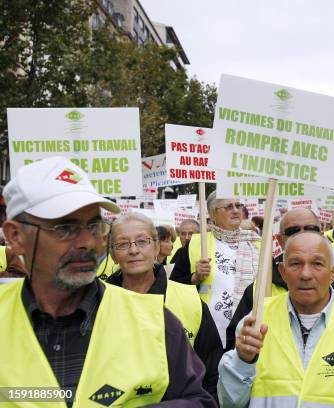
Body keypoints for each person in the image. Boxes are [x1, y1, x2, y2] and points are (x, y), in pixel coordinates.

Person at [0, 156, 214, 406]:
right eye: (65, 228)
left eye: (94, 226)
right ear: (15, 236)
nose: (87, 242)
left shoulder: (156, 322)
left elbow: (199, 401)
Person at [218, 232, 334, 408]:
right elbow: (229, 402)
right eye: (295, 264)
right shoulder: (256, 321)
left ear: (332, 273)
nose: (305, 274)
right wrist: (243, 361)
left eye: (317, 264)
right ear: (283, 273)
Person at [106, 213, 224, 402]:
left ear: (156, 247)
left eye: (142, 241)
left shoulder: (190, 301)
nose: (133, 250)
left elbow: (211, 377)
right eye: (123, 244)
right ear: (112, 254)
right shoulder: (97, 303)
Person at [226, 208, 334, 350]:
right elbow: (236, 348)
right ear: (280, 240)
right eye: (293, 231)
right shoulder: (258, 289)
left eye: (310, 229)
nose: (303, 235)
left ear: (321, 235)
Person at [170, 191, 260, 347]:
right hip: (206, 333)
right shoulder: (195, 244)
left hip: (249, 331)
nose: (235, 210)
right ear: (212, 215)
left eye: (238, 205)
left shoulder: (257, 243)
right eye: (228, 206)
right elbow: (173, 286)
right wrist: (194, 278)